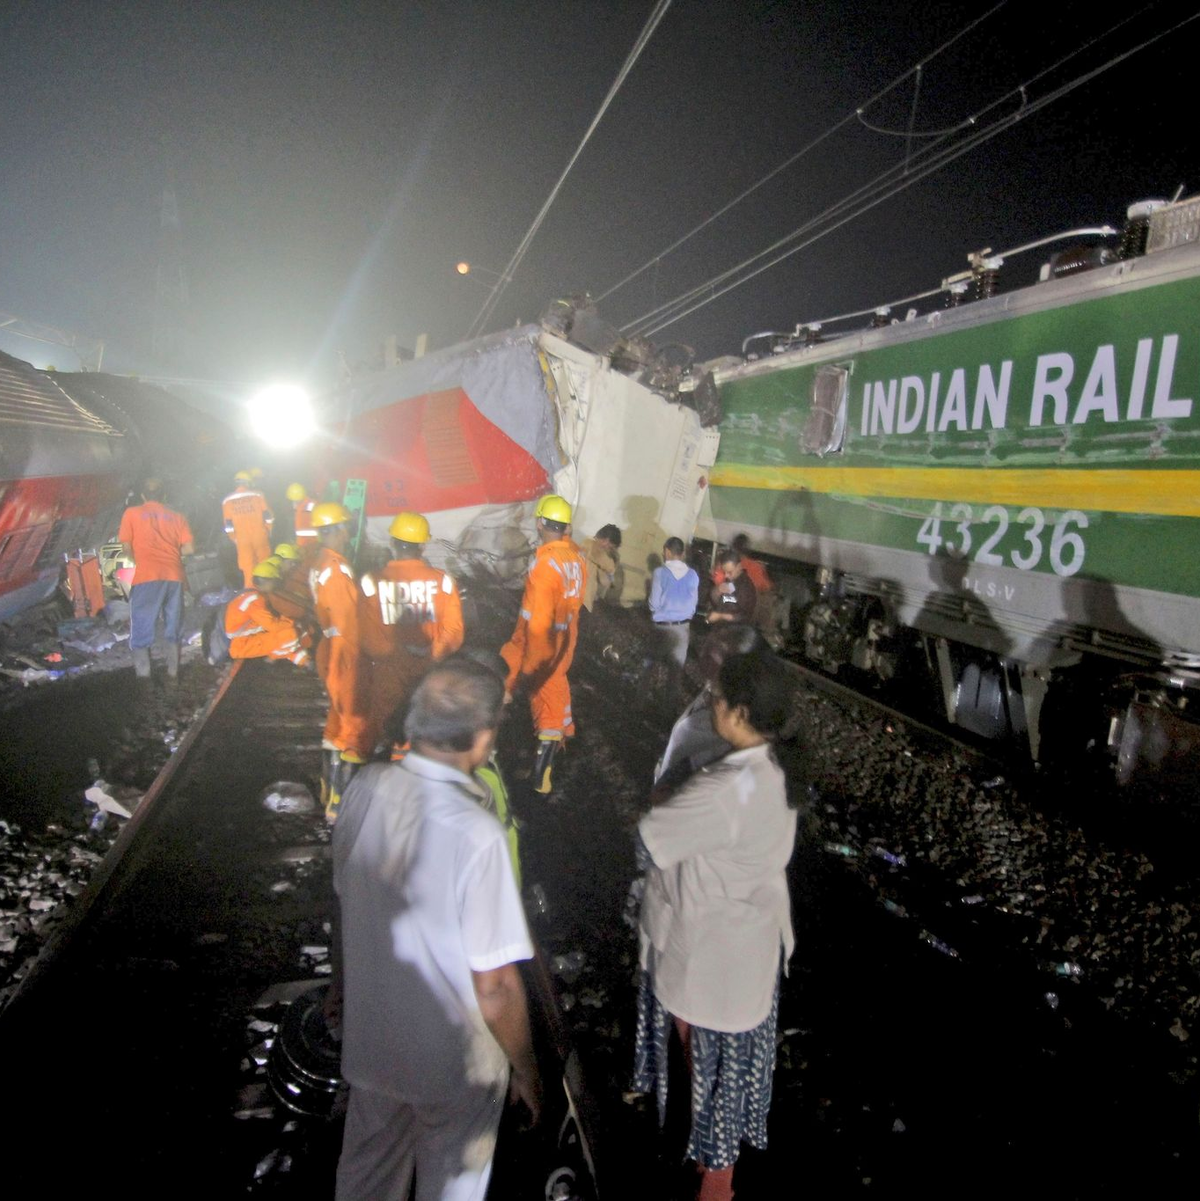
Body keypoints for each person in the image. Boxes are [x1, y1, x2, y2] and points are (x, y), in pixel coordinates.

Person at [331, 660, 541, 1201]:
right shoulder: (477, 833)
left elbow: (344, 901)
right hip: (454, 1070)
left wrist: (339, 986)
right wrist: (526, 1069)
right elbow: (495, 986)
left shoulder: (364, 789)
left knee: (366, 1184)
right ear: (484, 736)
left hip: (373, 1049)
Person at [634, 652, 797, 1201]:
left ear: (741, 713)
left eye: (718, 700)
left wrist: (667, 793)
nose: (711, 707)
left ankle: (713, 1187)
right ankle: (716, 1175)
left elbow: (650, 840)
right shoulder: (778, 768)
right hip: (748, 960)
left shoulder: (724, 788)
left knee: (703, 1101)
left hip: (706, 970)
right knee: (727, 1093)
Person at [500, 494, 587, 794]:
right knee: (551, 690)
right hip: (565, 637)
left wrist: (530, 668)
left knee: (543, 701)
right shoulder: (575, 557)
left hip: (539, 641)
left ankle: (540, 779)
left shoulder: (546, 565)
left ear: (539, 522)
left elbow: (537, 623)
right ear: (567, 527)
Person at [360, 510, 464, 755]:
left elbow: (366, 632)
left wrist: (391, 655)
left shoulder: (372, 581)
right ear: (423, 546)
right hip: (429, 671)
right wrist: (432, 656)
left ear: (393, 543)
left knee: (389, 730)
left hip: (388, 671)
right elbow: (453, 631)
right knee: (425, 729)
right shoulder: (442, 581)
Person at [309, 501, 370, 821]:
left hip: (330, 646)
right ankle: (339, 803)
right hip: (343, 650)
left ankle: (326, 790)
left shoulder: (321, 561)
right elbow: (348, 622)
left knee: (336, 723)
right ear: (338, 529)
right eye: (346, 527)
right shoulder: (336, 568)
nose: (348, 534)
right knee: (353, 724)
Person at [117, 478, 195, 682]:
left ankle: (144, 680)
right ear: (164, 496)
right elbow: (189, 549)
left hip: (146, 576)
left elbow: (126, 549)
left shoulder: (131, 513)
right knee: (173, 626)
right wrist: (170, 555)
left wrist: (140, 561)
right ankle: (173, 674)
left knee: (141, 629)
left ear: (143, 495)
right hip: (174, 576)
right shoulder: (177, 516)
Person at [224, 559, 312, 666]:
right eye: (274, 581)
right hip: (240, 644)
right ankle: (273, 659)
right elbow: (273, 626)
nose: (276, 584)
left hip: (245, 638)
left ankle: (305, 661)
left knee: (285, 634)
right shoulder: (254, 601)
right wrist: (292, 621)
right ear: (267, 581)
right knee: (289, 635)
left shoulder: (251, 594)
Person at [648, 537, 699, 666]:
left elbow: (654, 604)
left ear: (667, 552)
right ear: (682, 554)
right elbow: (693, 604)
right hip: (682, 628)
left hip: (662, 627)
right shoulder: (693, 575)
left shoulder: (659, 573)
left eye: (664, 551)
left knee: (653, 667)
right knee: (675, 670)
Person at [223, 470, 274, 587]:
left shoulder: (227, 501)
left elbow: (228, 525)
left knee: (247, 567)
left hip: (242, 539)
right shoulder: (257, 495)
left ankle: (251, 590)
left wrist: (235, 539)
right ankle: (267, 590)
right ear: (248, 482)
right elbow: (268, 516)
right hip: (260, 535)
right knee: (264, 563)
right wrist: (268, 530)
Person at [731, 533, 780, 646]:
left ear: (734, 548)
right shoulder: (756, 567)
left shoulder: (728, 566)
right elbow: (766, 591)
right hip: (748, 620)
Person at [267, 542, 315, 622]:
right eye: (290, 562)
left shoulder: (286, 576)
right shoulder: (274, 581)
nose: (292, 565)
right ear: (281, 561)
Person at [707, 549, 757, 625]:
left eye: (730, 572)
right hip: (720, 627)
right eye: (724, 572)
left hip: (737, 629)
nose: (726, 576)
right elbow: (719, 602)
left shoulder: (746, 587)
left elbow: (744, 615)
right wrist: (717, 591)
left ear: (739, 567)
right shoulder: (729, 581)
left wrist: (721, 616)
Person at [580, 523, 622, 611]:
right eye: (610, 547)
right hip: (581, 599)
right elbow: (607, 574)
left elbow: (605, 582)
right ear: (606, 541)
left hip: (584, 599)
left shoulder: (590, 548)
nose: (608, 550)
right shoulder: (590, 545)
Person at [286, 482, 318, 562]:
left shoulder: (311, 505)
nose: (292, 503)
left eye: (293, 500)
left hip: (311, 542)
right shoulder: (300, 507)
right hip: (303, 543)